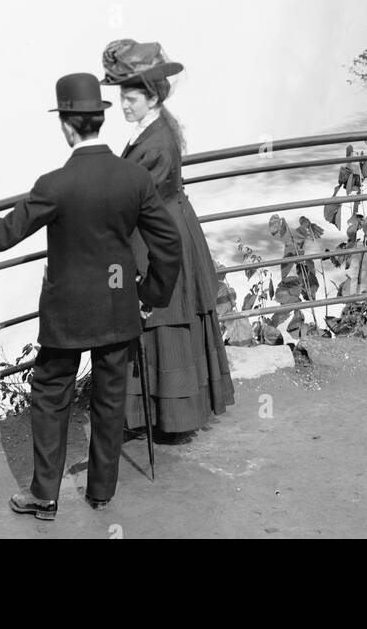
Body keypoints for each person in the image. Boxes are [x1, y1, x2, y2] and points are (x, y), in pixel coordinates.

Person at [0, 72, 182, 520]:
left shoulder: (54, 184)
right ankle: (101, 490)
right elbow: (169, 245)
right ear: (99, 119)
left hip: (67, 315)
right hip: (119, 304)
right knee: (109, 394)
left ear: (65, 125)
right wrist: (148, 294)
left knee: (49, 393)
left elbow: (3, 234)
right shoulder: (133, 177)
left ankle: (44, 494)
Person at [101, 39, 235, 437]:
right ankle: (162, 415)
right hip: (168, 223)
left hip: (157, 233)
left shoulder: (155, 141)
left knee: (164, 317)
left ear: (152, 96)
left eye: (132, 98)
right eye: (122, 97)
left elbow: (134, 199)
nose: (124, 105)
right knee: (167, 318)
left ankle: (169, 418)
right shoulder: (155, 127)